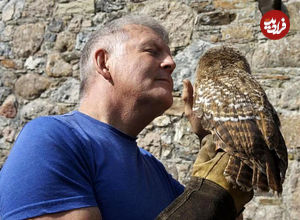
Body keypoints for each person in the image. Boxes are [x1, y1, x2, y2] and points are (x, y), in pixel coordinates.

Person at [0, 15, 252, 220]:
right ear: (103, 62)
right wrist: (208, 191)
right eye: (152, 51)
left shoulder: (154, 169)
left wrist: (219, 147)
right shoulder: (52, 138)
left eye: (169, 55)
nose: (171, 63)